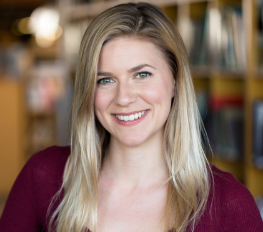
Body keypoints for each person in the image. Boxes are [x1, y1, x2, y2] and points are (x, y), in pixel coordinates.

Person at [0, 2, 262, 232]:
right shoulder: (43, 176)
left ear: (175, 82)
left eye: (142, 74)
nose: (124, 97)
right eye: (105, 80)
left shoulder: (230, 205)